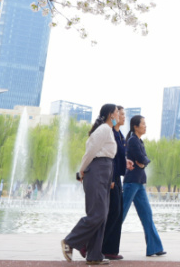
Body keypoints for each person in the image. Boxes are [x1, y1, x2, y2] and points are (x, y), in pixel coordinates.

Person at [63, 104, 119, 264]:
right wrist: (81, 171)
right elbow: (90, 152)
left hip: (104, 171)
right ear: (110, 114)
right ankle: (70, 241)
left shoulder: (108, 130)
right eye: (117, 112)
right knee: (98, 214)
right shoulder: (104, 129)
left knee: (102, 215)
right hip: (97, 170)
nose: (119, 115)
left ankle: (94, 256)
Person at [121, 114, 167, 257]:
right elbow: (141, 158)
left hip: (139, 182)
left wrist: (143, 162)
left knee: (147, 215)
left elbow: (144, 160)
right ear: (136, 126)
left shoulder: (139, 141)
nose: (145, 126)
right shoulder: (133, 141)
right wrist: (143, 161)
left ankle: (154, 248)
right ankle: (102, 244)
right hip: (131, 183)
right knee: (119, 215)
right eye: (143, 124)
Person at [99, 105, 132, 261]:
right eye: (120, 113)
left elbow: (118, 156)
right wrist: (111, 178)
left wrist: (126, 162)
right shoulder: (110, 132)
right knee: (112, 212)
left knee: (117, 213)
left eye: (123, 114)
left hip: (118, 177)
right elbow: (108, 157)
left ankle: (111, 250)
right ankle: (95, 245)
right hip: (111, 177)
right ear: (113, 115)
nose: (122, 116)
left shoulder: (120, 135)